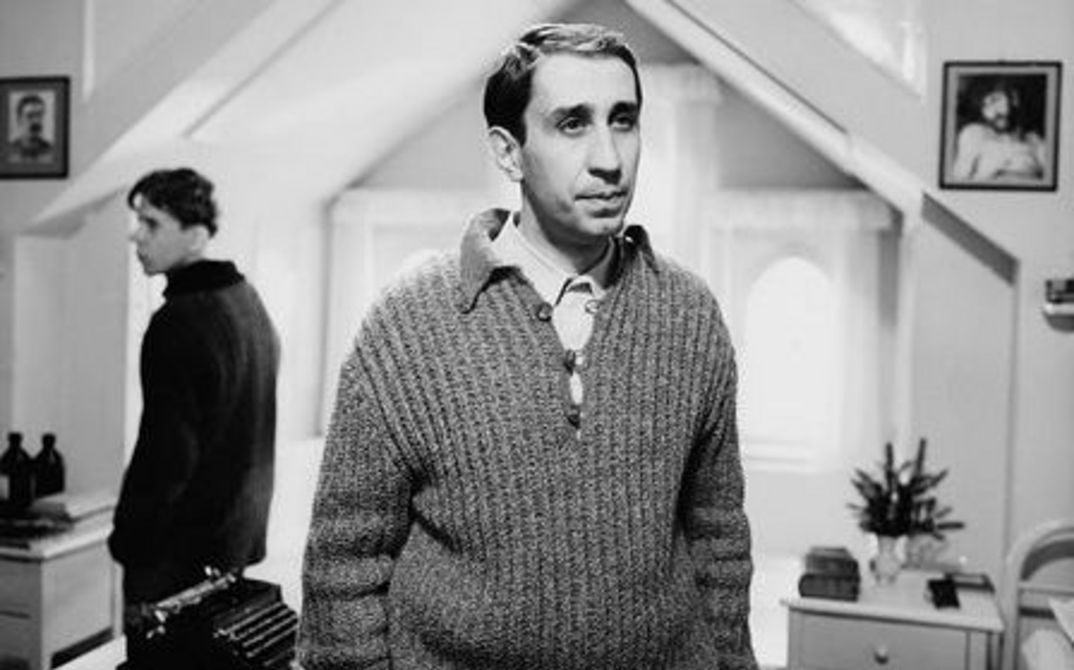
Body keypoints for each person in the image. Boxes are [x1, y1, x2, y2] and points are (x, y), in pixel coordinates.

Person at [299, 22, 757, 670]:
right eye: (572, 123)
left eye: (623, 120)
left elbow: (719, 537)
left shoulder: (690, 315)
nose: (610, 157)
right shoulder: (408, 324)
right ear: (509, 153)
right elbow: (344, 564)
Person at [108, 168, 281, 624]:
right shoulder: (247, 300)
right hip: (233, 543)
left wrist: (130, 539)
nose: (136, 236)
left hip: (174, 554)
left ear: (197, 236)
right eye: (138, 222)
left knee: (157, 656)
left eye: (152, 224)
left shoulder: (178, 321)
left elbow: (166, 456)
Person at [951, 78, 1046, 182]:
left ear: (1014, 98)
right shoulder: (975, 134)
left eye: (995, 100)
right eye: (985, 106)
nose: (993, 111)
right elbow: (959, 180)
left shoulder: (1035, 141)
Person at [8, 93, 53, 163]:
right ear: (19, 120)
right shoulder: (8, 152)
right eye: (30, 116)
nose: (36, 121)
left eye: (39, 115)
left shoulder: (52, 151)